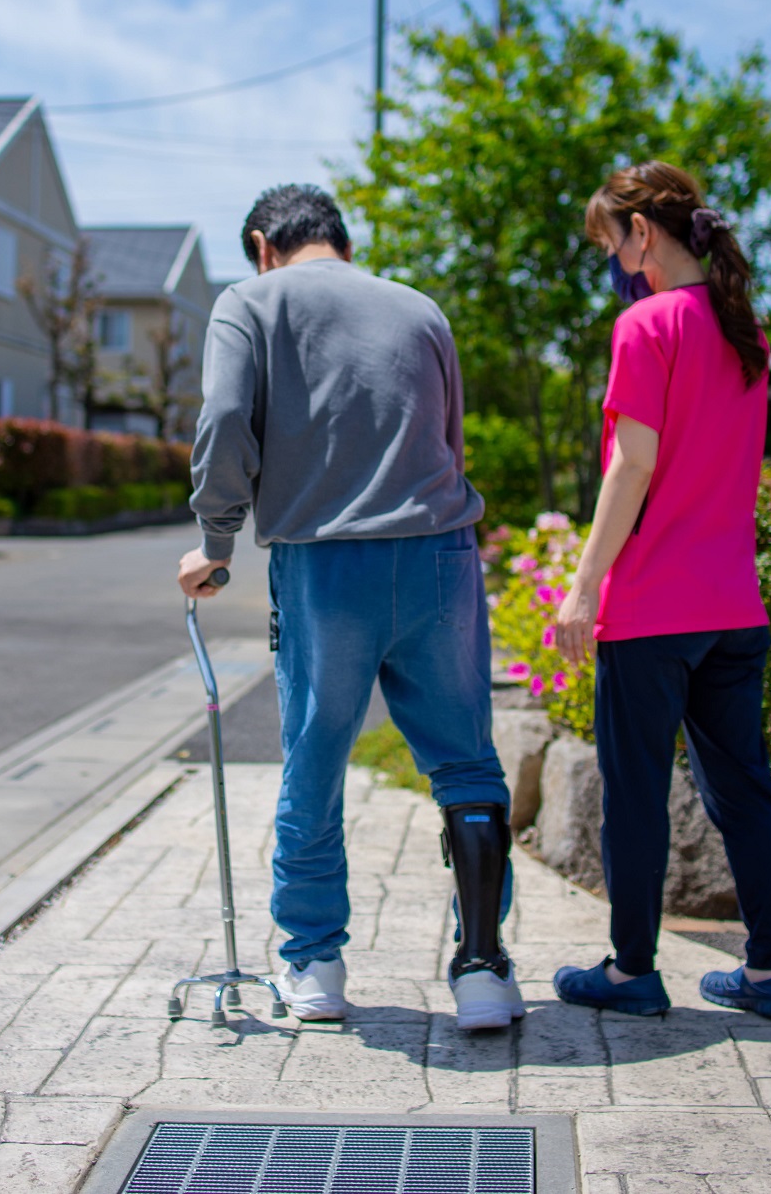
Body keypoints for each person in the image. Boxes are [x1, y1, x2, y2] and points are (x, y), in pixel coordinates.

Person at [177, 184, 524, 1031]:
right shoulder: (420, 310)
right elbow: (450, 441)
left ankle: (316, 967)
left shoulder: (249, 302)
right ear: (337, 239)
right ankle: (481, 969)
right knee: (465, 763)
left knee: (315, 755)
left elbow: (225, 418)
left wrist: (215, 543)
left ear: (263, 243)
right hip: (440, 551)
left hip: (326, 565)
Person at [552, 160, 771, 1019]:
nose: (612, 262)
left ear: (641, 234)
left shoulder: (646, 324)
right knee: (743, 792)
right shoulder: (744, 332)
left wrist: (582, 589)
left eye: (610, 244)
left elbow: (633, 464)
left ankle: (630, 971)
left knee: (634, 791)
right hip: (733, 607)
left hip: (651, 607)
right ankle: (769, 973)